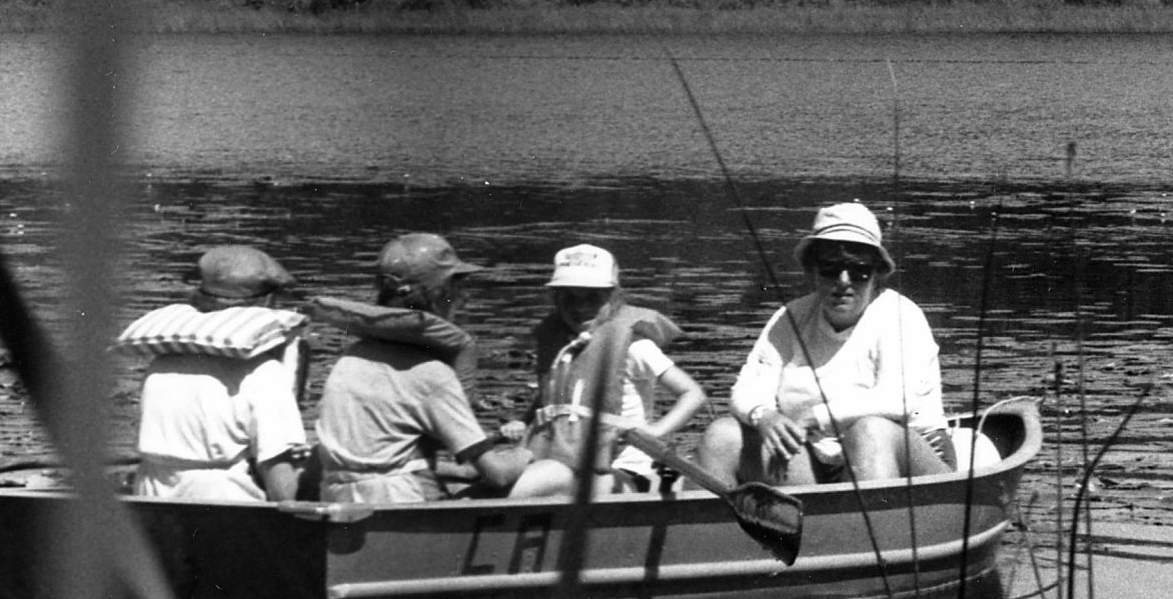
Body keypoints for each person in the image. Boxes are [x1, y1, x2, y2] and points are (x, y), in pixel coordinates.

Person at [697, 202, 953, 486]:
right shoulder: (790, 317)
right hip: (818, 459)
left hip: (910, 463)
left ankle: (878, 529)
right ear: (812, 270)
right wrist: (764, 415)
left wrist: (814, 416)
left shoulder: (901, 315)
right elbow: (747, 388)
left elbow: (897, 400)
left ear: (878, 272)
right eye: (830, 268)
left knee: (869, 432)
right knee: (721, 435)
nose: (843, 281)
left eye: (859, 270)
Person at [313, 233, 531, 503]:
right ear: (438, 294)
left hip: (338, 495)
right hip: (399, 503)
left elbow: (378, 458)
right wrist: (528, 450)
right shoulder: (431, 374)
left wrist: (459, 471)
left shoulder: (351, 359)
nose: (463, 299)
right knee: (555, 477)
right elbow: (498, 475)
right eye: (456, 287)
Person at [507, 243, 705, 498]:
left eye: (592, 297)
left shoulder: (636, 347)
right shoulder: (561, 345)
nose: (580, 307)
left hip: (626, 475)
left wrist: (656, 431)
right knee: (511, 474)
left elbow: (693, 394)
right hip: (563, 462)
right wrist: (522, 422)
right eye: (569, 297)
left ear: (613, 297)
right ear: (555, 298)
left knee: (548, 476)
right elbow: (552, 400)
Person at [131, 245, 309, 502]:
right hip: (224, 507)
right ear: (267, 304)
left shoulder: (161, 363)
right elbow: (279, 482)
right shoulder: (262, 373)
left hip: (153, 498)